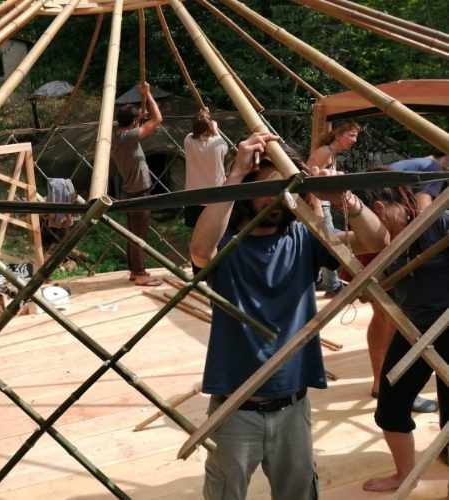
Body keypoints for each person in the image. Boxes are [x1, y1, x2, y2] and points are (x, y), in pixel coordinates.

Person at [190, 132, 387, 500]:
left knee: (297, 492)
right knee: (225, 494)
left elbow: (377, 243)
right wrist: (235, 175)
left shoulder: (304, 239)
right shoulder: (228, 246)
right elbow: (200, 251)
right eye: (269, 186)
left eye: (286, 185)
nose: (278, 196)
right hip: (236, 408)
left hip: (293, 405)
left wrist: (345, 197)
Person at [361, 182, 449, 492]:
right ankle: (405, 474)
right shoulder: (386, 244)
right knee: (391, 404)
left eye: (375, 214)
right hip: (414, 331)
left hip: (447, 325)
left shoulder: (437, 222)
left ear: (382, 208)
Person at [111, 81, 163, 286]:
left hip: (130, 190)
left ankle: (135, 271)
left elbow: (139, 118)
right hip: (139, 192)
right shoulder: (130, 136)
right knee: (139, 235)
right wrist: (148, 94)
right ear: (133, 123)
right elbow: (158, 119)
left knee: (133, 234)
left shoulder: (118, 135)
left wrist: (139, 112)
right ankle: (140, 273)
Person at [307, 120, 361, 297]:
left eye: (356, 136)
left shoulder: (331, 154)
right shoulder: (324, 153)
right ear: (338, 135)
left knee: (330, 241)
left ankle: (330, 283)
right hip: (319, 204)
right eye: (351, 135)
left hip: (324, 203)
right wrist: (318, 209)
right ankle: (333, 285)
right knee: (331, 241)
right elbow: (311, 182)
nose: (354, 140)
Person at [183, 108, 229, 227]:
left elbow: (197, 129)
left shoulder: (188, 140)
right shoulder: (217, 143)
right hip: (214, 195)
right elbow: (226, 148)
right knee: (213, 231)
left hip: (194, 196)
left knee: (196, 230)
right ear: (210, 128)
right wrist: (215, 130)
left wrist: (204, 116)